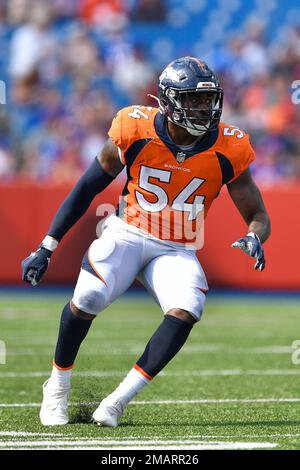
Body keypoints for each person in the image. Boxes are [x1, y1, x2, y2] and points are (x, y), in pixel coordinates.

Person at [22, 56, 270, 427]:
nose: (205, 108)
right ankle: (57, 386)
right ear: (168, 101)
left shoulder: (228, 147)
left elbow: (258, 215)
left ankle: (116, 402)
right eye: (194, 100)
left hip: (177, 247)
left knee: (189, 306)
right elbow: (88, 186)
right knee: (88, 297)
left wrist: (254, 236)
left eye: (208, 100)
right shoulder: (135, 127)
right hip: (127, 232)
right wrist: (47, 245)